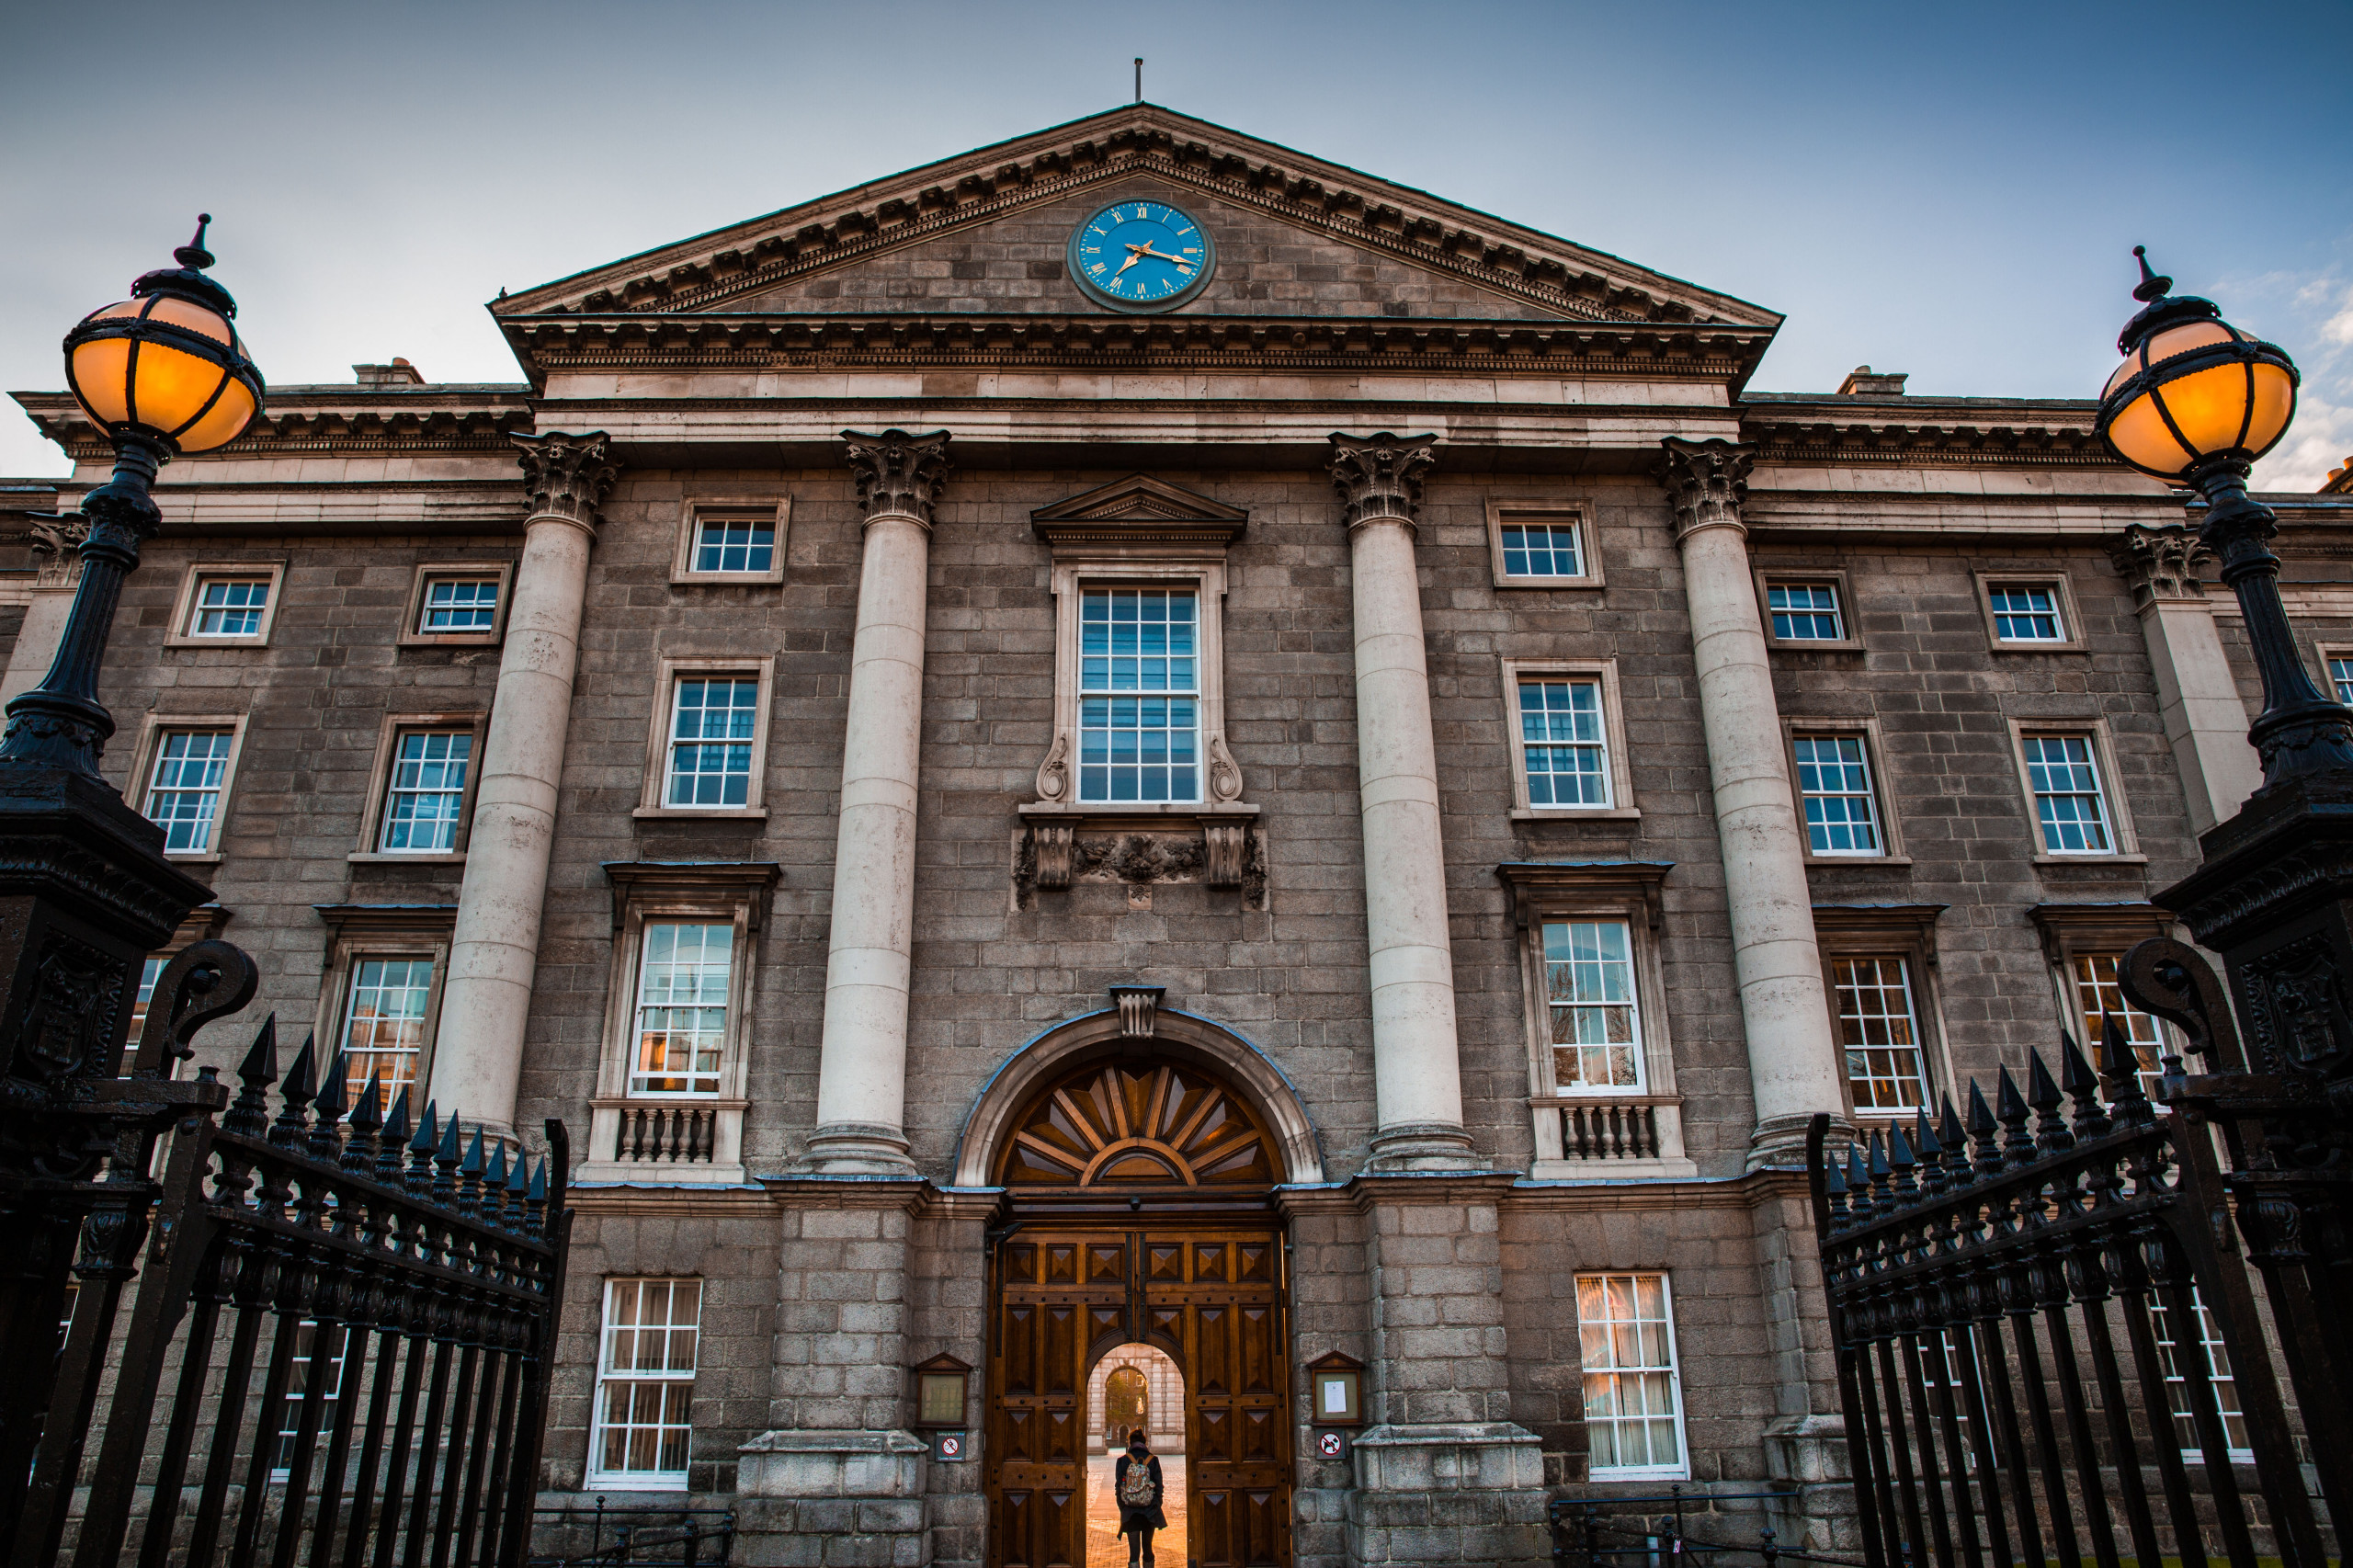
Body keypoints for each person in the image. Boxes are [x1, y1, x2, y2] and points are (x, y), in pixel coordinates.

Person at [1112, 1429, 1165, 1566]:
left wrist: (1123, 1506)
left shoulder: (1122, 1461)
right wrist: (1156, 1504)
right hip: (1150, 1511)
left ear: (1130, 1443)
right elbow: (1159, 1487)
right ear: (1144, 1442)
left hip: (1130, 1511)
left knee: (1134, 1552)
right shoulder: (1153, 1460)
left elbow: (1118, 1487)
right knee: (1148, 1549)